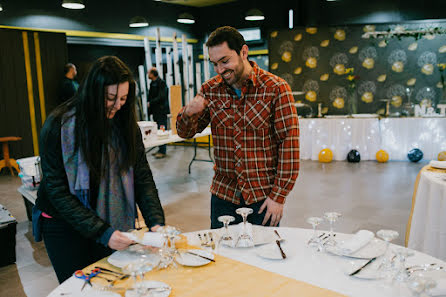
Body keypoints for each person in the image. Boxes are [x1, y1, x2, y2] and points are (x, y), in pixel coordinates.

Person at [34, 56, 165, 283]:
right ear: (93, 93)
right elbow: (57, 191)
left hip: (111, 222)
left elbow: (141, 176)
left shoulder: (125, 125)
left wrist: (156, 222)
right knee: (81, 288)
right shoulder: (58, 125)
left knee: (112, 284)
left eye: (123, 99)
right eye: (110, 98)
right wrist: (102, 233)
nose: (117, 106)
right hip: (63, 226)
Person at [176, 26, 299, 229]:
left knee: (263, 256)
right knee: (223, 257)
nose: (220, 70)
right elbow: (185, 133)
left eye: (225, 61)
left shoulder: (276, 89)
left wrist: (279, 196)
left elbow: (289, 146)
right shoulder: (210, 90)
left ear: (243, 52)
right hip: (224, 195)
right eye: (214, 64)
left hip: (263, 196)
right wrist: (188, 113)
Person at [147, 67, 169, 158]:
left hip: (161, 111)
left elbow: (162, 96)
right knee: (157, 130)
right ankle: (160, 149)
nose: (147, 74)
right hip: (155, 111)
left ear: (153, 74)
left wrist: (150, 102)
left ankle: (163, 151)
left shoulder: (161, 83)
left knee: (162, 130)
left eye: (149, 73)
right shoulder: (152, 83)